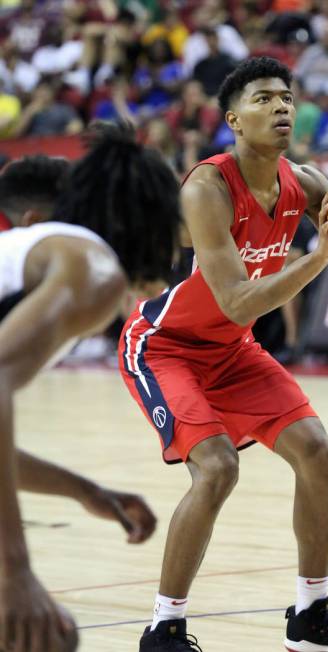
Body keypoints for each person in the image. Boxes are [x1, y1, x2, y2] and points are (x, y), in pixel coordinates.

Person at [119, 56, 328, 652]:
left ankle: (311, 616)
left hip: (233, 349)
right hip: (166, 348)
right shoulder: (206, 187)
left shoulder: (304, 181)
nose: (281, 106)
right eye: (264, 98)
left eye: (287, 97)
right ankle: (164, 627)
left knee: (319, 452)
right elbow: (235, 299)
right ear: (233, 118)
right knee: (218, 467)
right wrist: (325, 252)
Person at [0, 123, 181, 652]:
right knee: (40, 634)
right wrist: (15, 570)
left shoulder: (46, 257)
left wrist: (86, 491)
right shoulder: (92, 268)